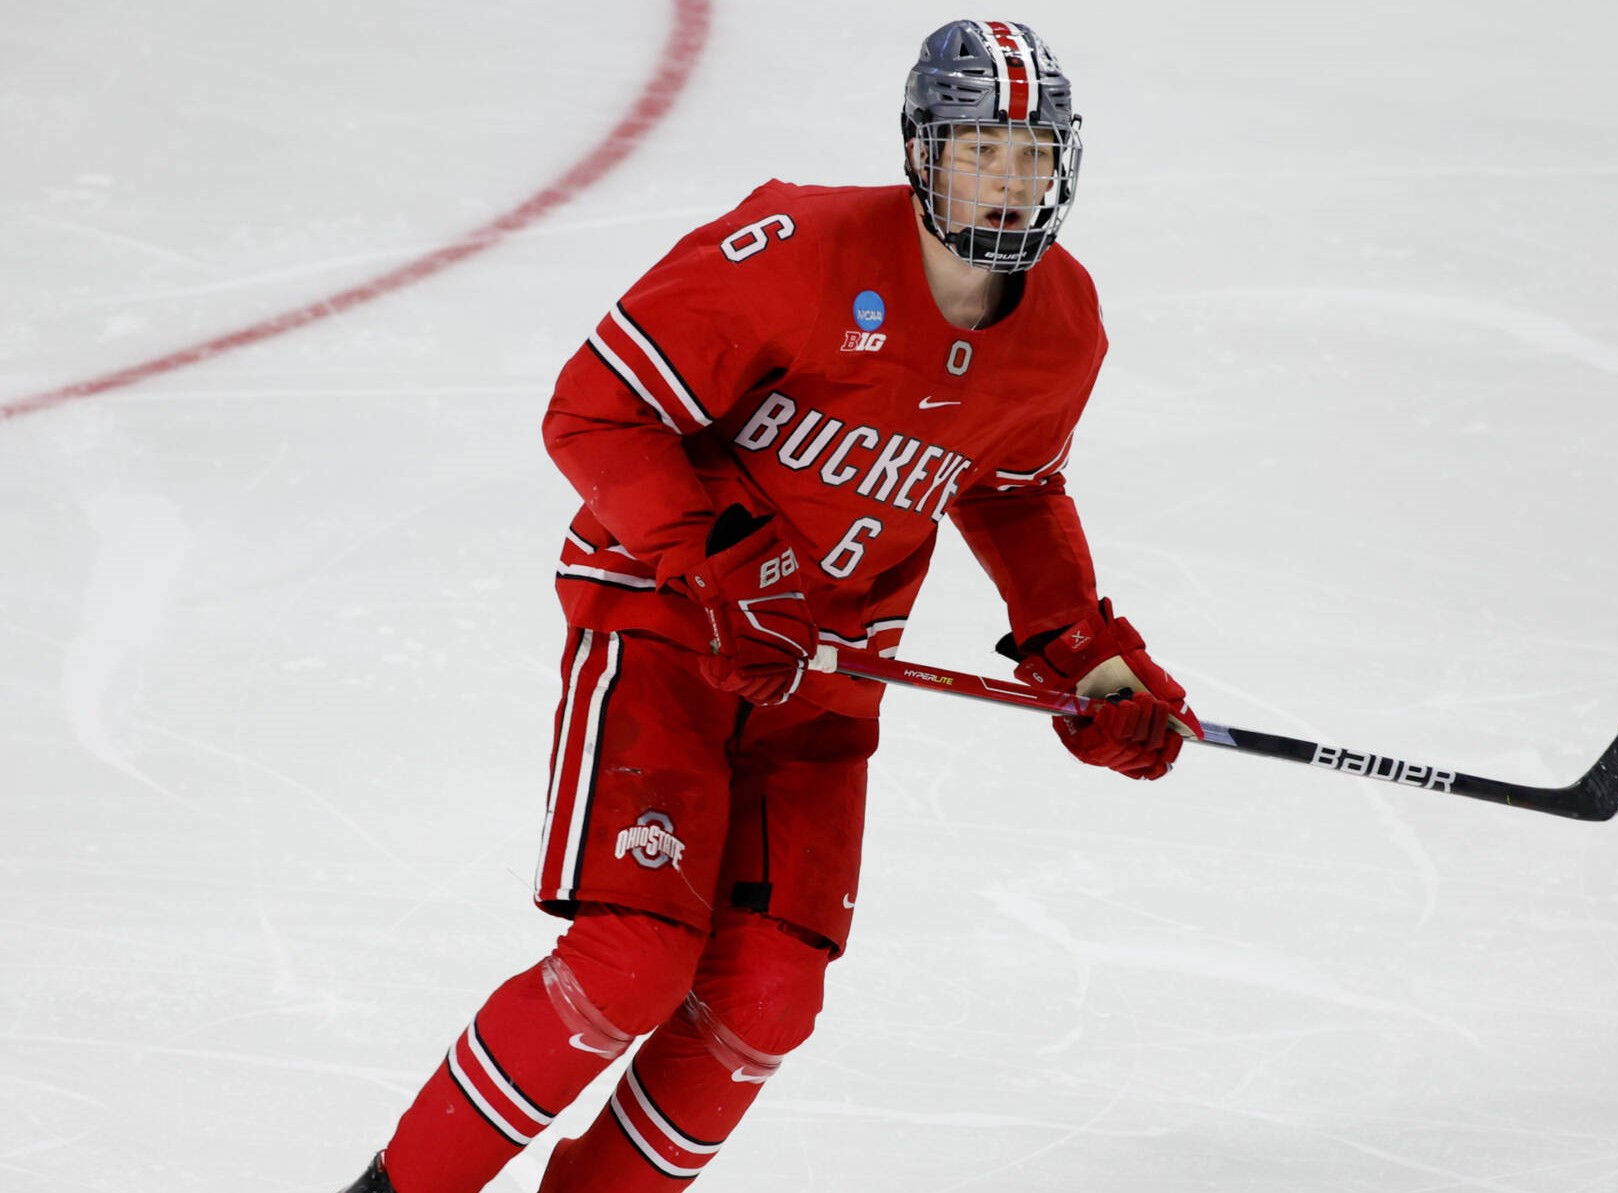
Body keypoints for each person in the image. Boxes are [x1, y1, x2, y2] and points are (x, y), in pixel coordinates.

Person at [339, 18, 1198, 1193]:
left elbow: (1010, 488)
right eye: (978, 148)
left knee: (768, 996)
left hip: (829, 669)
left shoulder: (1062, 325)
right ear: (921, 149)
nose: (1006, 180)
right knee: (631, 959)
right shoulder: (793, 246)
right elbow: (594, 409)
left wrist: (1091, 663)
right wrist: (730, 567)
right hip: (663, 622)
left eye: (1031, 153)